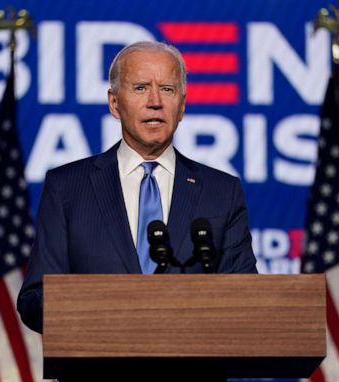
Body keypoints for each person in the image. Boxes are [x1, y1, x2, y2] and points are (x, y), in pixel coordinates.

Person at [17, 41, 257, 335]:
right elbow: (35, 299)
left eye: (167, 89)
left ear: (182, 105)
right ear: (115, 103)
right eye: (141, 87)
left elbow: (246, 301)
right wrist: (116, 315)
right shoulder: (67, 187)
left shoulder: (221, 191)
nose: (155, 101)